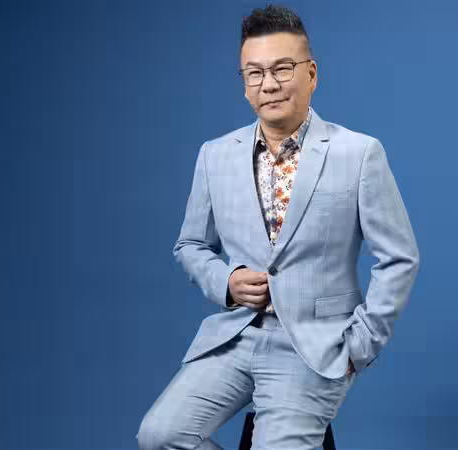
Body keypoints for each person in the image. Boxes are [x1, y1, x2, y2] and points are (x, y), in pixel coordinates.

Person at [136, 4, 419, 449]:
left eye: (282, 69)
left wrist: (361, 345)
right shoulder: (215, 155)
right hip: (236, 336)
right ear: (245, 84)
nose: (268, 84)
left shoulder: (358, 153)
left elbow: (399, 258)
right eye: (254, 73)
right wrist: (226, 282)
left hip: (314, 348)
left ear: (311, 74)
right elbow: (190, 244)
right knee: (160, 437)